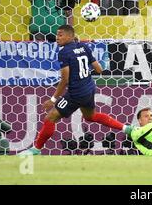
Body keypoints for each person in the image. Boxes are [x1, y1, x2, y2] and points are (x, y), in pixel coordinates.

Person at [20, 25, 132, 155]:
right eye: (57, 34)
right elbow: (99, 69)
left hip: (76, 93)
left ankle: (36, 149)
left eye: (60, 35)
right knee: (90, 116)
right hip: (89, 88)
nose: (57, 38)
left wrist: (53, 99)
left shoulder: (64, 52)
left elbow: (65, 80)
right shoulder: (84, 47)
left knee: (50, 117)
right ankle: (126, 128)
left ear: (70, 36)